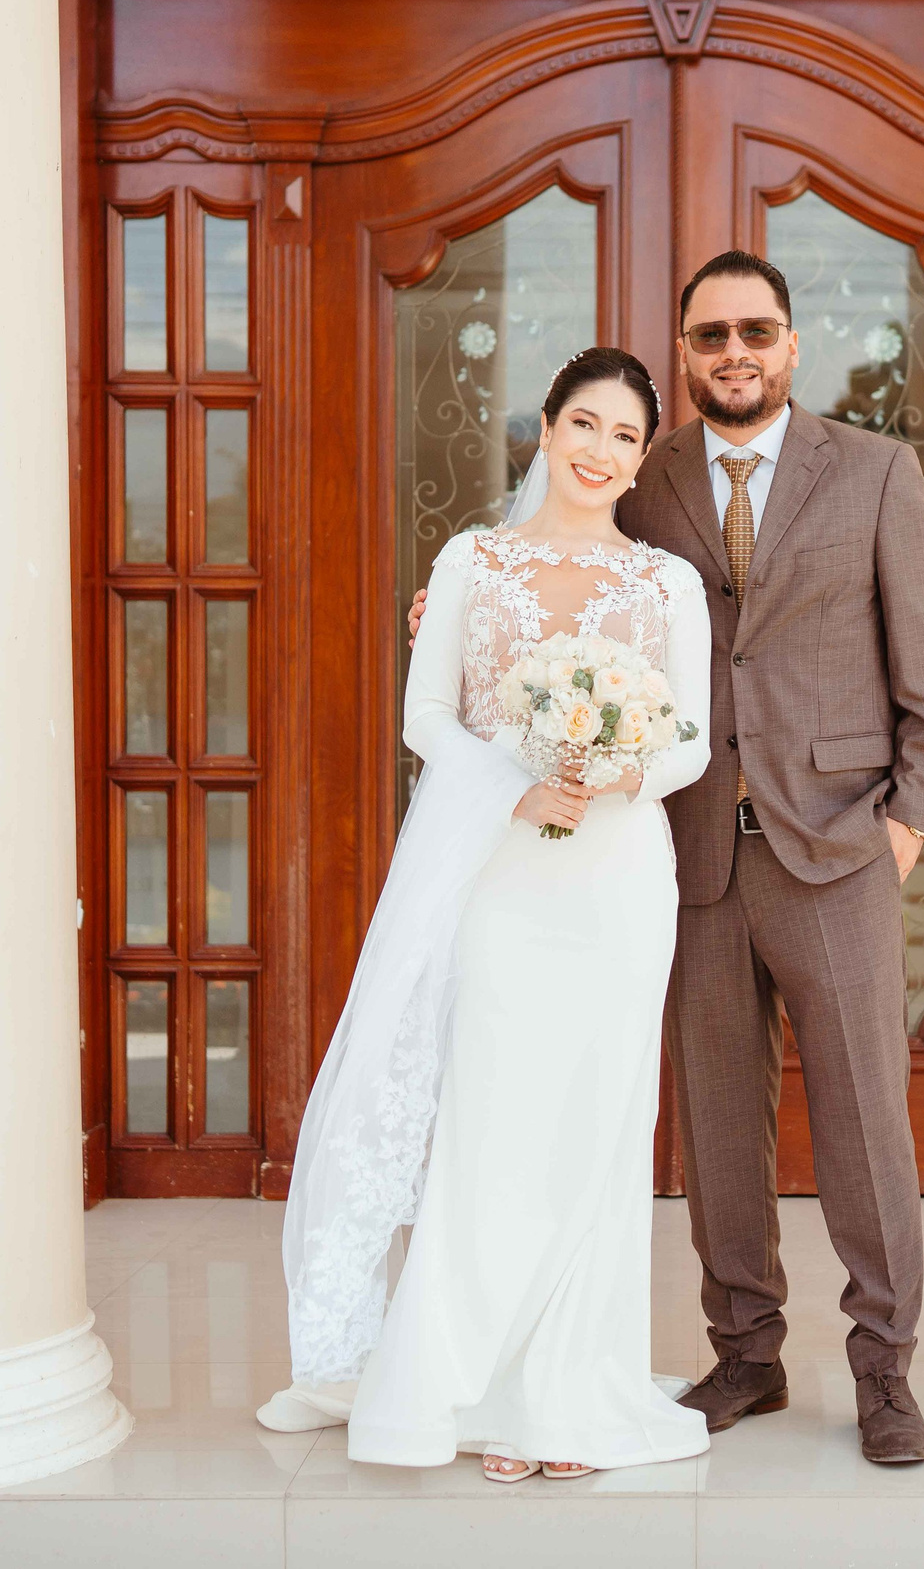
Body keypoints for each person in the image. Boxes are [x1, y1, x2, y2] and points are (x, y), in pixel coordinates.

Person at [409, 252, 924, 1464]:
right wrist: (443, 610)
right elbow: (555, 587)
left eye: (754, 331)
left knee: (868, 1120)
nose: (734, 352)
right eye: (710, 334)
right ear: (684, 352)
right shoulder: (643, 479)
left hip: (835, 847)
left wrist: (906, 821)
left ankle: (883, 1372)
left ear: (789, 345)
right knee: (721, 1124)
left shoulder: (874, 473)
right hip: (687, 850)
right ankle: (747, 1357)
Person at [258, 347, 714, 1482]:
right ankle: (481, 1388)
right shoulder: (472, 559)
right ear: (545, 429)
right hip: (501, 878)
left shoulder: (666, 584)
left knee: (594, 1130)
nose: (601, 452)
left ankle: (566, 1395)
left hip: (614, 880)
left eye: (625, 437)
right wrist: (515, 786)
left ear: (640, 457)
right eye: (584, 424)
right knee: (494, 1123)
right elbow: (428, 718)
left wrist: (617, 775)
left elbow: (692, 737)